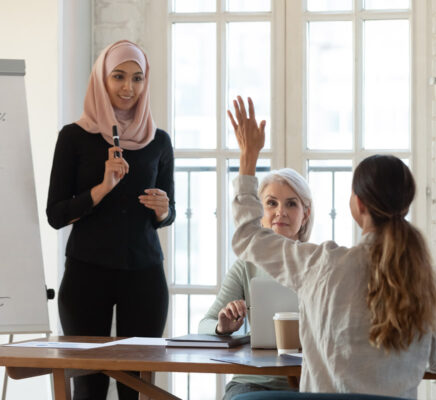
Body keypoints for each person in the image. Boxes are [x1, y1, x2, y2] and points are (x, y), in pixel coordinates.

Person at [226, 96, 436, 397]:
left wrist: (248, 159)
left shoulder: (319, 265)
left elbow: (247, 236)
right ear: (406, 204)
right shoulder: (435, 280)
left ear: (357, 204)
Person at [46, 40, 175, 400]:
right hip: (87, 273)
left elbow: (169, 212)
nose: (128, 88)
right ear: (102, 78)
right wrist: (101, 189)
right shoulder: (73, 137)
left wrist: (163, 210)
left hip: (144, 274)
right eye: (118, 76)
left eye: (137, 78)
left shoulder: (158, 141)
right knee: (89, 385)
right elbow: (56, 215)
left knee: (135, 384)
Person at [198, 167, 313, 400]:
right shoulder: (245, 265)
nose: (281, 212)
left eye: (291, 204)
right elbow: (205, 325)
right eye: (272, 203)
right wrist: (223, 327)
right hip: (252, 383)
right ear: (259, 211)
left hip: (309, 382)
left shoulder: (320, 262)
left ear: (305, 214)